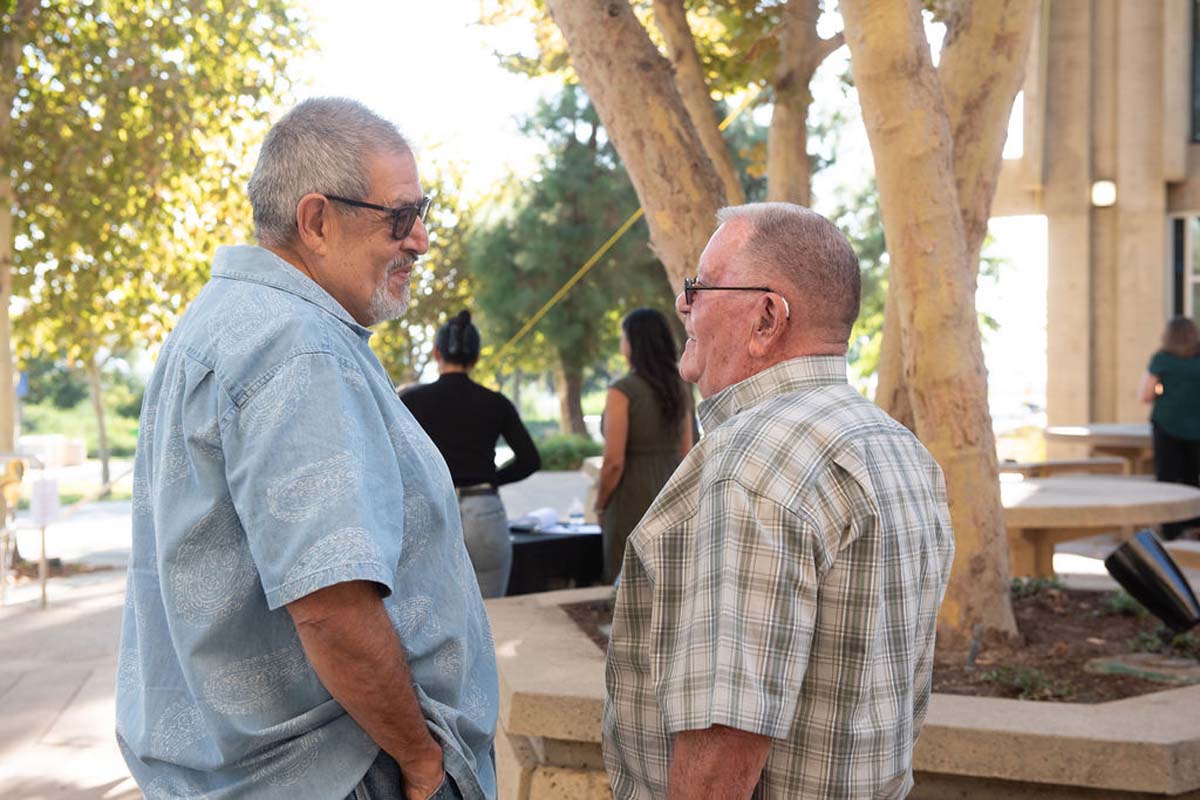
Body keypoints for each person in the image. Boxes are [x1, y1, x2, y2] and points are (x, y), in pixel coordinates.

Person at [115, 98, 498, 800]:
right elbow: (332, 603)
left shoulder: (222, 322)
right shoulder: (298, 344)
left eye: (424, 212)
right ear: (317, 220)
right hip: (338, 771)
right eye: (401, 217)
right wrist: (419, 760)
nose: (420, 240)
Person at [602, 203, 956, 799]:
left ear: (766, 317)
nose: (684, 305)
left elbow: (724, 737)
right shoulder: (900, 448)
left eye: (701, 286)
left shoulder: (750, 463)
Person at [401, 310, 541, 597]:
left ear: (436, 352)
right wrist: (489, 480)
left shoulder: (411, 400)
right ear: (476, 358)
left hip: (434, 509)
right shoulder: (496, 403)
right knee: (493, 613)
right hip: (484, 510)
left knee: (434, 611)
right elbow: (530, 460)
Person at [594, 308, 692, 583]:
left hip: (632, 495)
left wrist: (601, 504)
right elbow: (687, 451)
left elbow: (613, 462)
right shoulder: (679, 386)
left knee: (628, 584)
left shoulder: (622, 390)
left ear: (633, 343)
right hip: (673, 493)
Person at [1139, 316, 1200, 540]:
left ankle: (1170, 528)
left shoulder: (1162, 359)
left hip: (1167, 424)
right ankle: (1194, 523)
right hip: (1197, 426)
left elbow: (1145, 394)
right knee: (1193, 477)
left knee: (1166, 476)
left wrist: (1162, 391)